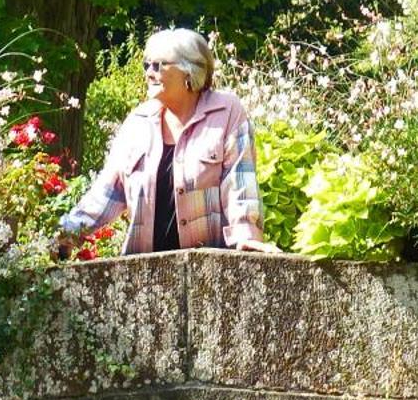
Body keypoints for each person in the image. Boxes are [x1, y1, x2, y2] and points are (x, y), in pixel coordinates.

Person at [56, 29, 273, 256]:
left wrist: (246, 236)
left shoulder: (227, 112)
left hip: (210, 270)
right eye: (146, 65)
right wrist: (64, 236)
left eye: (158, 66)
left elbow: (240, 183)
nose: (149, 73)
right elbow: (106, 193)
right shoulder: (137, 123)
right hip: (145, 272)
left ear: (190, 71)